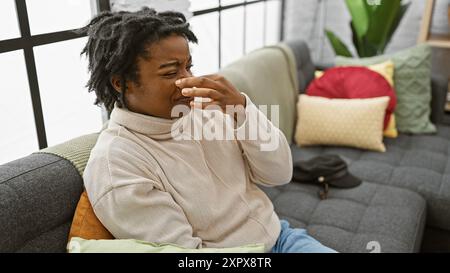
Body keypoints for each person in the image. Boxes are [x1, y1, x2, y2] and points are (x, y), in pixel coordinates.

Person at [80, 7, 336, 253]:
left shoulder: (208, 108)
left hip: (282, 236)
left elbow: (279, 173)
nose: (188, 80)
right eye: (170, 72)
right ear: (121, 83)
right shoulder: (117, 164)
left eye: (188, 66)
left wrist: (242, 109)